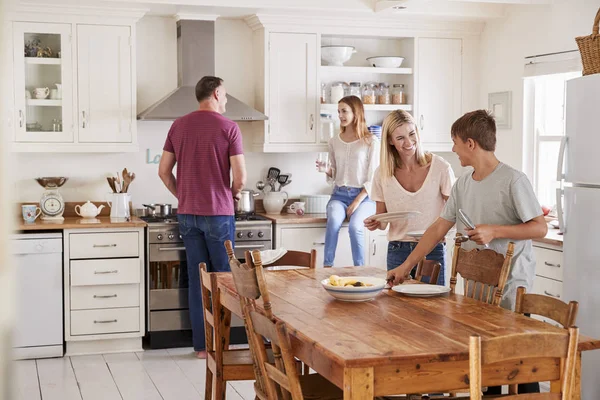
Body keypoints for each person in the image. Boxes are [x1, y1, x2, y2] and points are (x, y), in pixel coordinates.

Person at [387, 109, 547, 394]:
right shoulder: (463, 184)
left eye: (455, 142)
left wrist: (495, 230)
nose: (452, 149)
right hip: (479, 286)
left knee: (516, 362)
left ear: (470, 144)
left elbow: (539, 228)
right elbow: (437, 229)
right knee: (488, 365)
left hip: (511, 285)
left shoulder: (513, 180)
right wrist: (406, 266)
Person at [159, 76, 247, 359]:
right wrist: (232, 195)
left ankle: (201, 347)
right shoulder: (229, 127)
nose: (227, 100)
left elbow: (163, 171)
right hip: (219, 214)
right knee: (223, 279)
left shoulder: (178, 125)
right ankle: (221, 345)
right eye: (226, 94)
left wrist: (182, 196)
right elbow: (241, 177)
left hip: (187, 214)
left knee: (198, 280)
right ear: (217, 93)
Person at [364, 110, 455, 284]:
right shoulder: (382, 174)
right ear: (390, 141)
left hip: (432, 249)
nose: (409, 142)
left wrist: (444, 233)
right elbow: (383, 222)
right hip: (398, 249)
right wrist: (375, 223)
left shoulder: (440, 168)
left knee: (433, 308)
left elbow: (453, 211)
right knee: (397, 309)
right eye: (400, 138)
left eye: (412, 134)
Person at [319, 95, 380, 267]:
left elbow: (373, 177)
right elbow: (335, 173)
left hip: (364, 198)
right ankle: (327, 267)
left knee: (355, 227)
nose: (341, 115)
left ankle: (359, 270)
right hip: (339, 195)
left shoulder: (370, 141)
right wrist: (326, 170)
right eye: (339, 112)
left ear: (356, 112)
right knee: (333, 223)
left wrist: (355, 203)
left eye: (344, 111)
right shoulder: (334, 141)